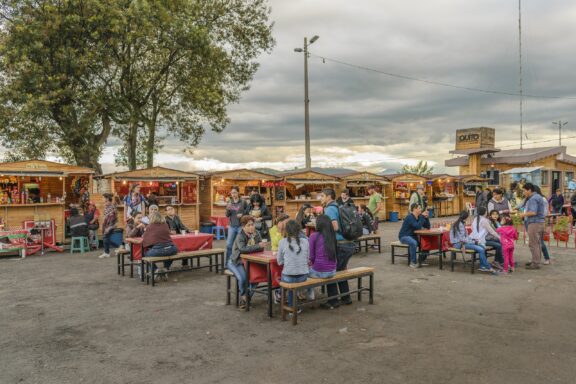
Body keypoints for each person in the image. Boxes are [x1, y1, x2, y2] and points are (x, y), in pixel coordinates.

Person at [320, 188, 356, 309]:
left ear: (329, 197)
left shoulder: (330, 209)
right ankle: (346, 297)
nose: (320, 198)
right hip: (349, 242)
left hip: (340, 244)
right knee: (340, 270)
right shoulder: (339, 206)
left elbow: (334, 227)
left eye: (322, 196)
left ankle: (333, 300)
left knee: (331, 271)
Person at [229, 215, 267, 308]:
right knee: (243, 278)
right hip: (237, 261)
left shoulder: (257, 233)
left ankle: (246, 297)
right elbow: (243, 249)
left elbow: (261, 248)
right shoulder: (240, 236)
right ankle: (243, 295)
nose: (251, 227)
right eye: (248, 225)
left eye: (252, 224)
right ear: (243, 227)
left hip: (251, 261)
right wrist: (258, 246)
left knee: (257, 276)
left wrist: (260, 246)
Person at [277, 220, 310, 311]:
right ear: (299, 230)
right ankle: (292, 305)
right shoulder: (305, 241)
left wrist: (288, 262)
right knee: (292, 280)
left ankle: (283, 299)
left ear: (286, 230)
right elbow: (308, 259)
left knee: (286, 279)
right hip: (303, 276)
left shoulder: (282, 242)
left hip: (288, 276)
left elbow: (279, 262)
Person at [142, 211, 178, 278]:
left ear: (152, 218)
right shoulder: (165, 224)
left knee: (145, 254)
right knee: (168, 254)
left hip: (159, 250)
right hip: (172, 249)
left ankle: (155, 270)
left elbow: (145, 240)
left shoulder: (150, 226)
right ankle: (166, 268)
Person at [519, 183, 545, 270]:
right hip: (538, 222)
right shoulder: (536, 197)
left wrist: (523, 214)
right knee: (536, 243)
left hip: (534, 223)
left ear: (529, 190)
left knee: (533, 243)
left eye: (524, 191)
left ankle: (536, 263)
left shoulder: (533, 199)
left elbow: (533, 212)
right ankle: (535, 260)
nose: (523, 193)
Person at [398, 203, 430, 269]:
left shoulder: (419, 217)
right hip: (404, 236)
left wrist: (426, 218)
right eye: (419, 208)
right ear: (414, 209)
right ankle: (413, 262)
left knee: (426, 242)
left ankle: (421, 260)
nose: (421, 210)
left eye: (420, 208)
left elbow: (427, 226)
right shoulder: (410, 217)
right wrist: (422, 216)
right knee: (413, 243)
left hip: (413, 236)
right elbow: (417, 226)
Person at [225, 187, 249, 263]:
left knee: (240, 245)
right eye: (232, 193)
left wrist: (242, 214)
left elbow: (248, 212)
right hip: (232, 226)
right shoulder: (229, 202)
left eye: (235, 192)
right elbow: (227, 215)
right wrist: (228, 209)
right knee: (229, 245)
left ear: (238, 193)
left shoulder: (243, 202)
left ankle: (239, 261)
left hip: (241, 226)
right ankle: (228, 262)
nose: (233, 194)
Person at [99, 193, 118, 259]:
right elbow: (105, 217)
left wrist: (109, 227)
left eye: (103, 198)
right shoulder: (107, 206)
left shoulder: (112, 206)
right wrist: (102, 225)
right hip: (106, 225)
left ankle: (107, 252)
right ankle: (118, 247)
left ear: (107, 199)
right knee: (107, 239)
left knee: (106, 238)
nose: (102, 199)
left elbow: (113, 218)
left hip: (110, 225)